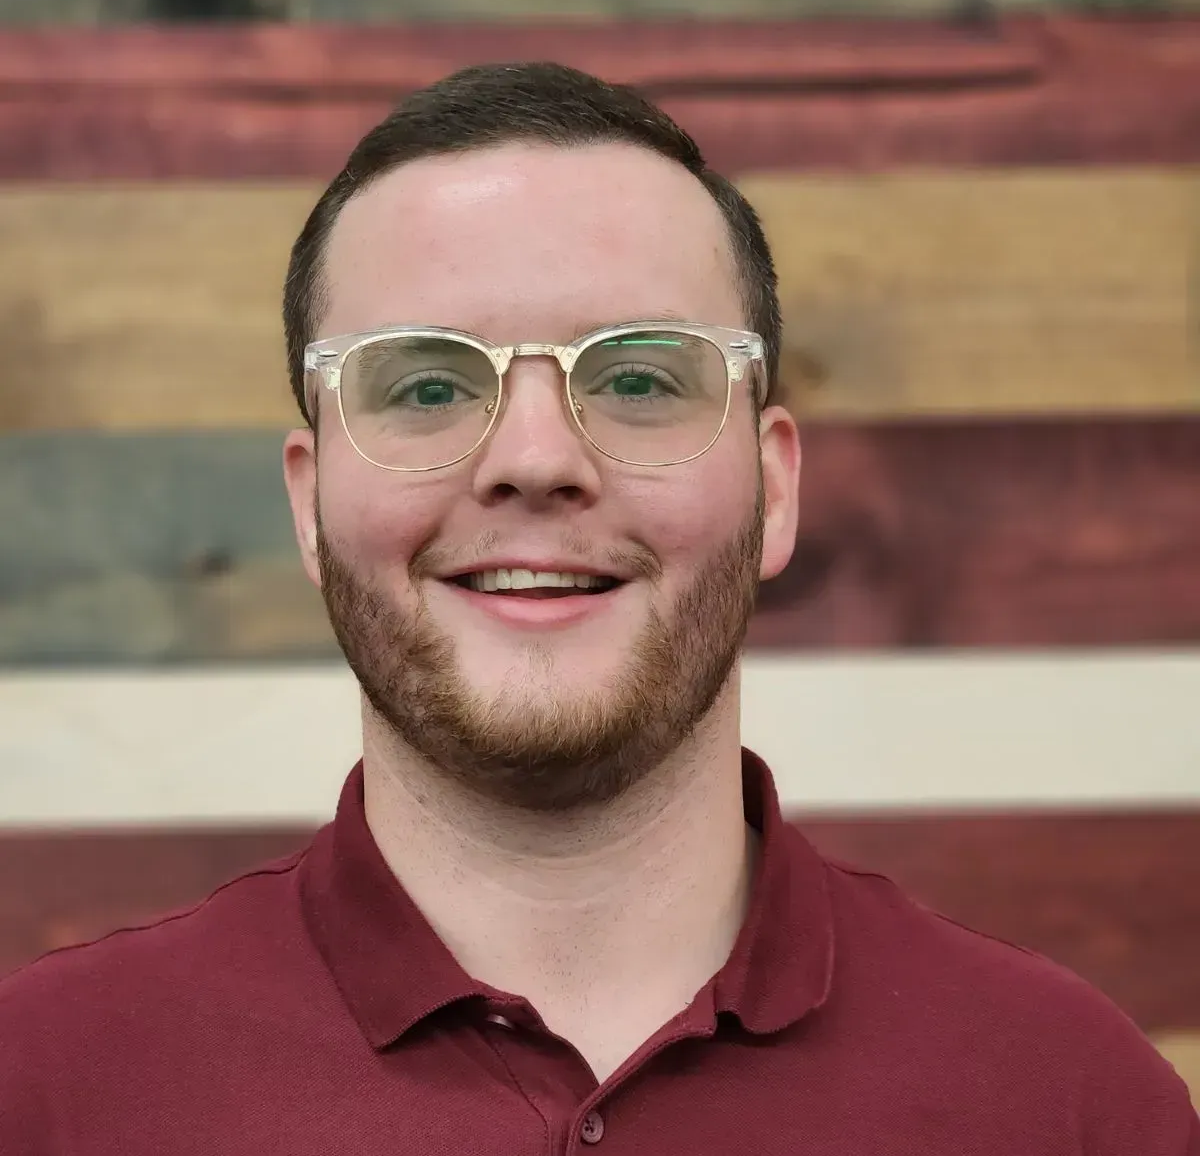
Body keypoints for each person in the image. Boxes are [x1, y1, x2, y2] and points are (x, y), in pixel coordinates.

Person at [1, 61, 1196, 1155]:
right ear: (310, 507)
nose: (534, 458)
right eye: (427, 384)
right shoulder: (46, 1089)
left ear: (776, 488)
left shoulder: (1070, 1101)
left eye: (636, 377)